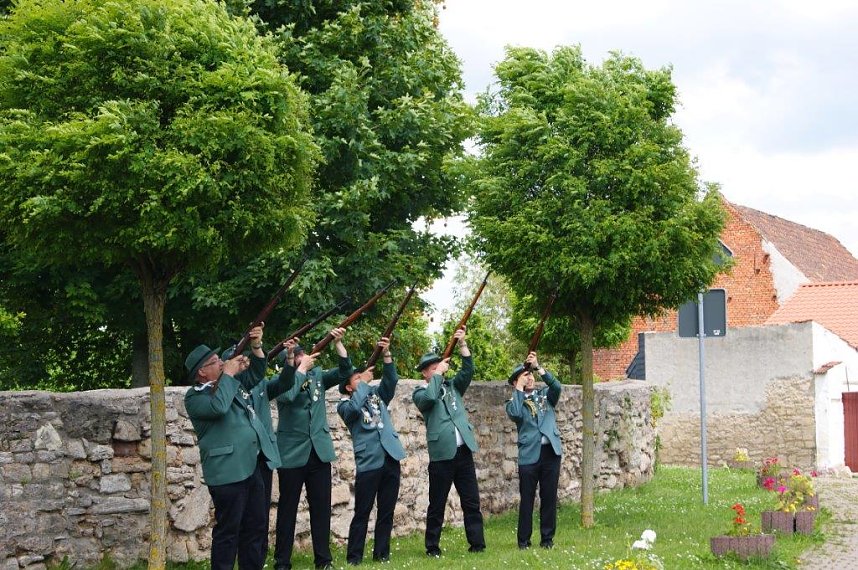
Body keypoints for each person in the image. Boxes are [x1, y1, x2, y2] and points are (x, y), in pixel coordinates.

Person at [184, 325, 292, 570]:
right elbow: (219, 407)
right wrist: (230, 375)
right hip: (227, 472)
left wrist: (256, 347)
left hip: (251, 466)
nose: (221, 364)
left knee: (255, 527)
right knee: (228, 532)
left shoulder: (228, 384)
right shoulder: (195, 397)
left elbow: (255, 377)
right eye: (214, 362)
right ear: (201, 372)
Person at [274, 328, 353, 570]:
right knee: (287, 509)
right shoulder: (283, 380)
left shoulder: (317, 375)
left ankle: (324, 560)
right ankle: (282, 561)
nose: (304, 356)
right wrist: (299, 370)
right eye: (298, 355)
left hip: (318, 451)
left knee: (321, 509)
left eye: (302, 353)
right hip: (291, 454)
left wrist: (338, 344)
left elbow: (346, 373)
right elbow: (287, 397)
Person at [221, 335, 300, 563]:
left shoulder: (261, 384)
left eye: (247, 361)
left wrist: (290, 359)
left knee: (260, 516)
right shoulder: (229, 389)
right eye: (241, 361)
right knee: (238, 518)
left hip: (262, 457)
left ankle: (259, 559)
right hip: (240, 459)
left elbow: (285, 383)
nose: (246, 364)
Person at [412, 327, 485, 557]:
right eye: (433, 368)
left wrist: (463, 345)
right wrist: (438, 375)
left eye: (439, 366)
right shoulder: (420, 392)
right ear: (425, 373)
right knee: (437, 505)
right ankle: (432, 547)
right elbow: (430, 399)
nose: (439, 370)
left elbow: (468, 371)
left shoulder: (452, 386)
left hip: (463, 452)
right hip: (442, 455)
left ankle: (477, 544)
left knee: (471, 502)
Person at [337, 337, 405, 565]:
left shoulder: (375, 395)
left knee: (386, 511)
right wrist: (364, 383)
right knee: (362, 512)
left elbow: (391, 382)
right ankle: (354, 557)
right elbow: (355, 408)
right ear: (348, 387)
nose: (362, 378)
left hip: (390, 456)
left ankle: (382, 554)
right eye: (356, 378)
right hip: (369, 461)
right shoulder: (345, 405)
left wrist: (386, 355)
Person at [506, 351, 562, 550]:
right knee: (527, 500)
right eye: (524, 376)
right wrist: (519, 389)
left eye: (530, 375)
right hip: (529, 455)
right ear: (515, 382)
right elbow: (515, 414)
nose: (529, 378)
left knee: (549, 498)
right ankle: (524, 541)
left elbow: (556, 386)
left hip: (550, 453)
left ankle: (547, 540)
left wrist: (539, 367)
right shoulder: (514, 402)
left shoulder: (544, 396)